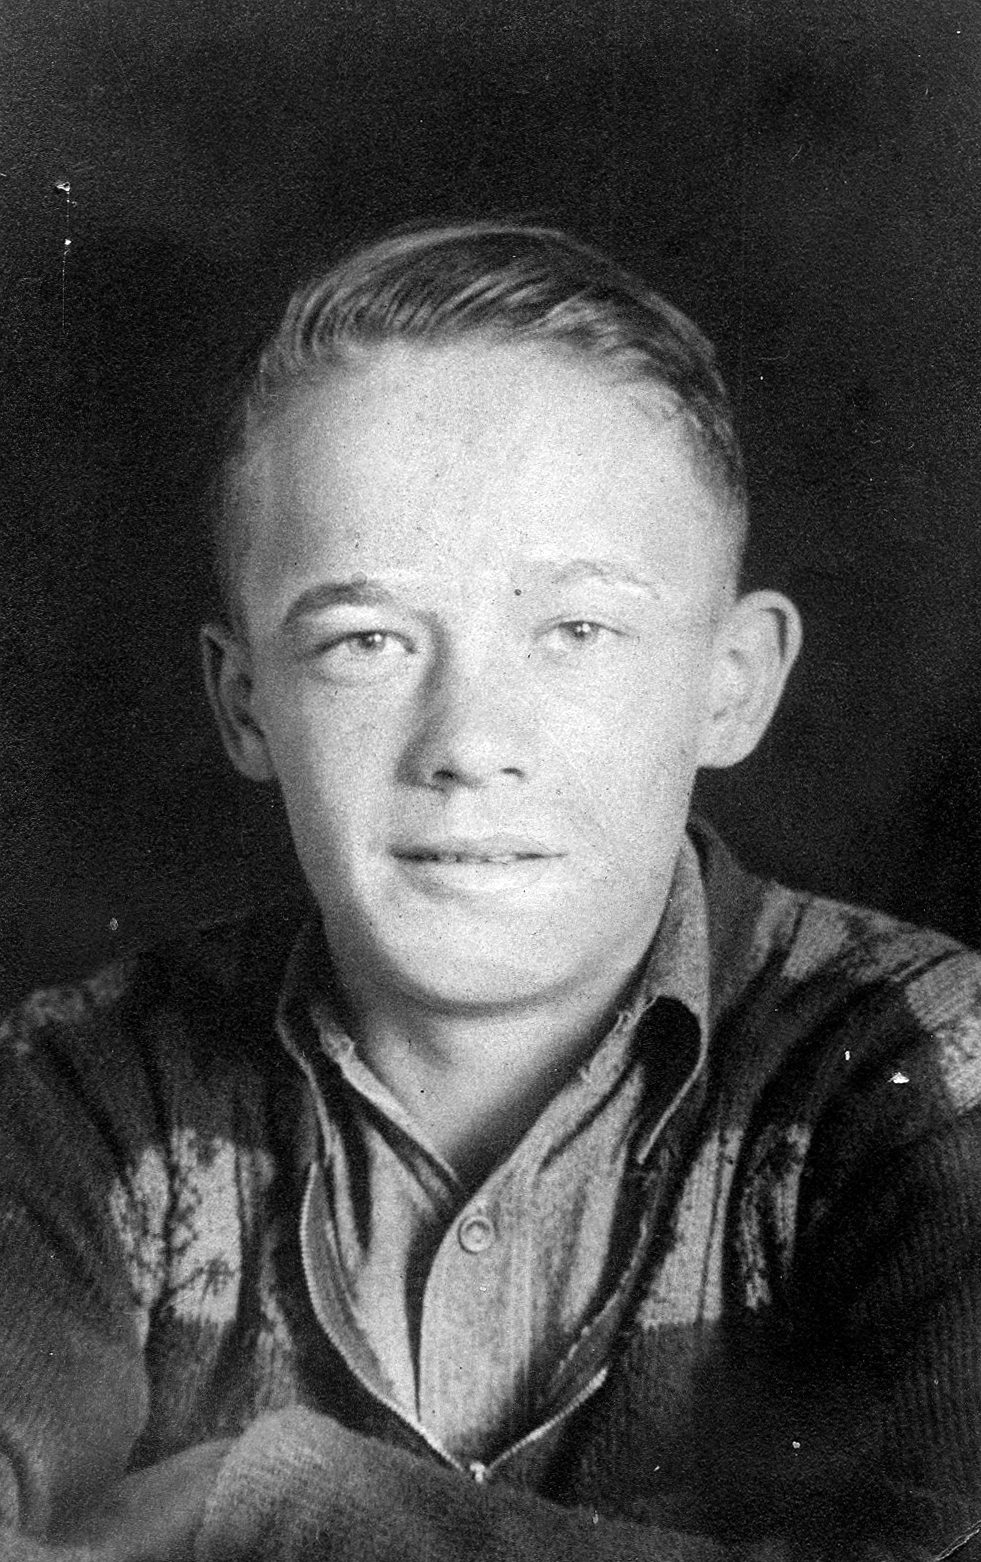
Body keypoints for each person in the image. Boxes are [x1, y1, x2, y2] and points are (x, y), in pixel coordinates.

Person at [2, 221, 980, 1562]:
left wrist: (277, 1505)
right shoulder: (78, 1091)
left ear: (732, 683)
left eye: (576, 630)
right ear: (243, 703)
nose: (468, 741)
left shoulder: (931, 1069)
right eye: (365, 640)